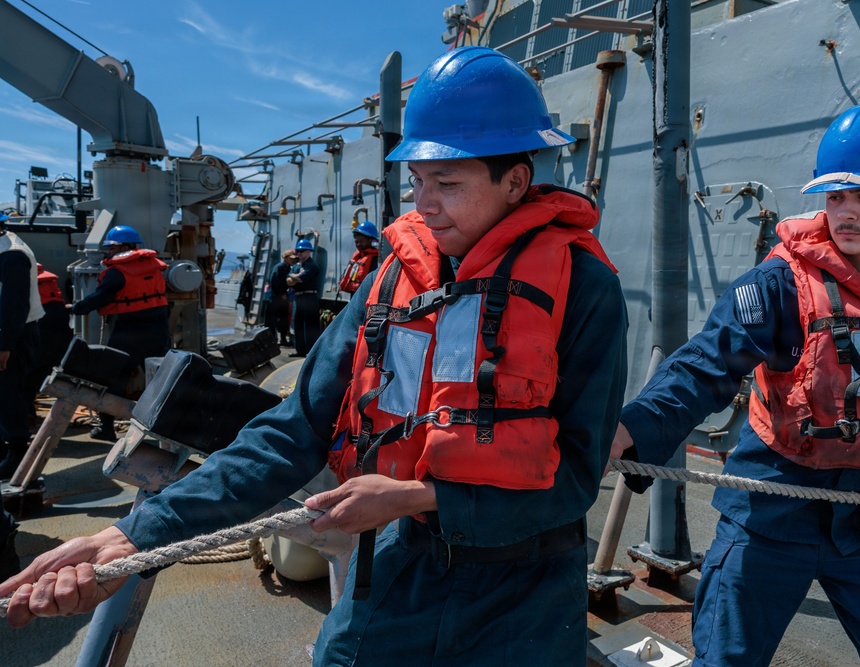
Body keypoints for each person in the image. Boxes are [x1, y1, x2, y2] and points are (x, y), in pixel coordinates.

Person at [1, 46, 629, 666]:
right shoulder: (391, 281)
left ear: (516, 181)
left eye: (448, 182)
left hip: (528, 597)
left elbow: (574, 481)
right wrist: (132, 535)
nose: (424, 204)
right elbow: (290, 431)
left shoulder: (582, 289)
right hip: (399, 571)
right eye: (417, 181)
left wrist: (417, 497)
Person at [609, 102, 860, 666]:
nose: (845, 213)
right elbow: (704, 364)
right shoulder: (781, 283)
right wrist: (627, 432)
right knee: (728, 659)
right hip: (771, 507)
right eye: (835, 197)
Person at [68, 225, 171, 442]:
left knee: (114, 376)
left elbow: (100, 297)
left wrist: (76, 308)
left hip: (129, 331)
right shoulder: (154, 266)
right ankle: (167, 427)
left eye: (111, 248)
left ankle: (106, 428)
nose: (108, 252)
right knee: (161, 379)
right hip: (158, 329)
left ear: (124, 246)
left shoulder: (116, 272)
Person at [0, 212, 43, 577]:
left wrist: (4, 345)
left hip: (13, 338)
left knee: (7, 393)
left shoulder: (11, 253)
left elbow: (13, 305)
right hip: (13, 336)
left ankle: (16, 451)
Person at [24, 263, 74, 425]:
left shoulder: (18, 280)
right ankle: (27, 414)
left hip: (40, 333)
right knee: (34, 377)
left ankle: (23, 417)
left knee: (20, 379)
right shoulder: (45, 282)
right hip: (59, 338)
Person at [286, 237, 321, 357]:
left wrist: (294, 277)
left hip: (309, 296)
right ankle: (299, 350)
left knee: (309, 326)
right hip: (298, 297)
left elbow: (300, 278)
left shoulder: (312, 265)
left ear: (308, 251)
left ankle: (310, 352)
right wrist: (294, 277)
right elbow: (289, 281)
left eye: (302, 251)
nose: (299, 253)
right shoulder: (297, 266)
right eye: (298, 251)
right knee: (298, 324)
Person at [337, 220, 379, 297]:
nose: (358, 244)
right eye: (356, 242)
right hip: (354, 296)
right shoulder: (357, 258)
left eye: (361, 241)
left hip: (366, 298)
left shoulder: (376, 259)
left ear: (371, 240)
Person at [264, 248, 296, 346]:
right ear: (285, 258)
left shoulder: (289, 269)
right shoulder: (279, 268)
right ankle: (271, 340)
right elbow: (274, 281)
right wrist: (281, 293)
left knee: (283, 320)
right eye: (291, 258)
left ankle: (283, 339)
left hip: (283, 298)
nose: (293, 260)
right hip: (274, 298)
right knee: (271, 321)